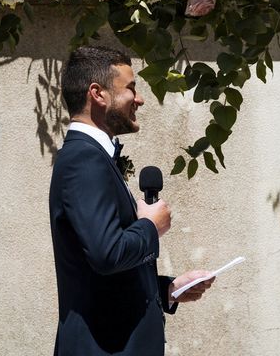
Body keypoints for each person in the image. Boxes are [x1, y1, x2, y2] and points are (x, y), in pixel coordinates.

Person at [49, 45, 215, 356]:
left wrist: (168, 289)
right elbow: (107, 253)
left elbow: (102, 274)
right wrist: (150, 226)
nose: (139, 99)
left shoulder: (93, 156)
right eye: (131, 88)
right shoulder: (83, 159)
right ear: (98, 94)